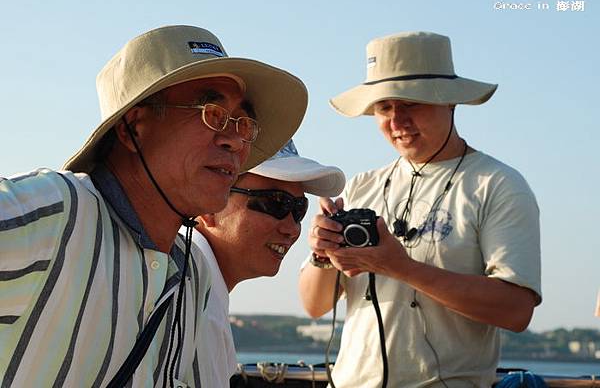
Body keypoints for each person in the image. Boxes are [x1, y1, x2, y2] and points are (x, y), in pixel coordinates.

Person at [0, 25, 307, 387]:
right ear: (133, 127)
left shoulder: (192, 274)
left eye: (242, 123)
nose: (235, 141)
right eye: (211, 112)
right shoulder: (56, 213)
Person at [299, 31, 542, 387]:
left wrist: (400, 268)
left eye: (411, 103)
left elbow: (516, 310)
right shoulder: (359, 186)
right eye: (383, 107)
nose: (396, 121)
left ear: (450, 102)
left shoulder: (497, 184)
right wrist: (321, 254)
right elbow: (314, 306)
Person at [190, 139, 345, 387]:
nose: (292, 229)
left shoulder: (197, 288)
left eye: (298, 209)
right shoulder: (193, 304)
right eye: (274, 203)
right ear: (209, 204)